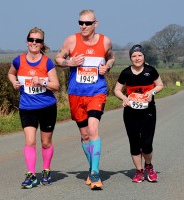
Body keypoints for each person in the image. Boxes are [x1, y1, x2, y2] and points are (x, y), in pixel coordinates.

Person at [55, 9, 115, 190]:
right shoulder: (71, 40)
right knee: (84, 134)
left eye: (87, 23)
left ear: (95, 24)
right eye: (80, 23)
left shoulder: (105, 41)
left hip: (97, 91)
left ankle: (95, 173)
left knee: (94, 128)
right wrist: (69, 63)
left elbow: (111, 57)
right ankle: (92, 167)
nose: (83, 26)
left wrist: (108, 66)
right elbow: (58, 58)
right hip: (76, 93)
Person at [8, 27, 60, 189]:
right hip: (27, 107)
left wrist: (42, 82)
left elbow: (56, 85)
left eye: (38, 41)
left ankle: (46, 171)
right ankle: (31, 175)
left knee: (45, 142)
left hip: (47, 107)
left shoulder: (47, 62)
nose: (34, 43)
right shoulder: (19, 60)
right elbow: (10, 73)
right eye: (31, 40)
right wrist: (14, 82)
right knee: (30, 140)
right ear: (27, 41)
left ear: (42, 43)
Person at [114, 44, 163, 183]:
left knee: (147, 143)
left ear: (144, 57)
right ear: (130, 58)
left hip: (148, 111)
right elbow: (117, 90)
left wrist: (151, 92)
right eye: (134, 56)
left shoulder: (151, 70)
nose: (137, 58)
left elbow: (160, 85)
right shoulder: (126, 73)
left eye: (139, 55)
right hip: (130, 112)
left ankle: (149, 166)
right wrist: (124, 98)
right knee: (134, 143)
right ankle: (139, 171)